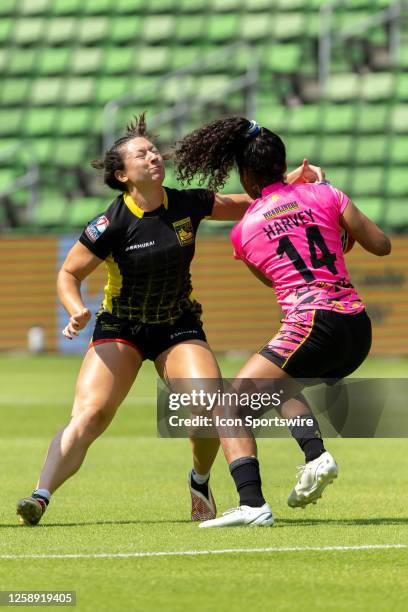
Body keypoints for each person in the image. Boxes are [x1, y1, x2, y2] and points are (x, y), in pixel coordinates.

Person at [16, 113, 323, 526]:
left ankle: (199, 480)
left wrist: (289, 185)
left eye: (154, 150)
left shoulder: (187, 203)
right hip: (121, 327)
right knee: (90, 415)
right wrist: (75, 308)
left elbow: (250, 203)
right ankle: (40, 496)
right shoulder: (110, 224)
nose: (153, 156)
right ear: (124, 174)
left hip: (177, 326)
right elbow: (68, 274)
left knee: (207, 408)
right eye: (141, 155)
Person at [173, 116, 391, 528]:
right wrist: (331, 210)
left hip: (311, 323)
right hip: (357, 329)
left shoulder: (244, 231)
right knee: (278, 382)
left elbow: (276, 278)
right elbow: (380, 245)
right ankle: (316, 457)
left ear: (246, 175)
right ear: (282, 162)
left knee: (228, 405)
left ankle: (252, 504)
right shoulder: (326, 194)